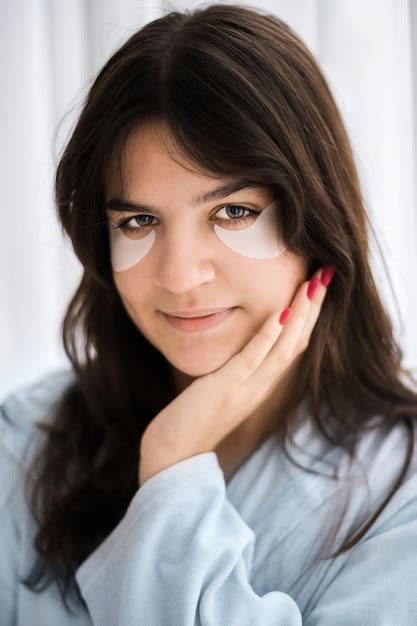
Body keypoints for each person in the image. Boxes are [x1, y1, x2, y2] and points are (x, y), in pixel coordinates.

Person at [1, 3, 416, 624]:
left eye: (233, 213)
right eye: (138, 221)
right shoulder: (26, 443)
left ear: (317, 224)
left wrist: (172, 472)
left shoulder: (403, 497)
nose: (178, 275)